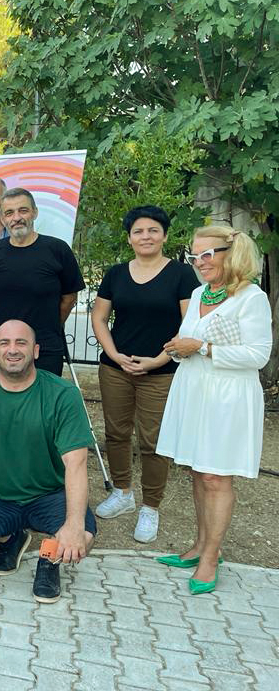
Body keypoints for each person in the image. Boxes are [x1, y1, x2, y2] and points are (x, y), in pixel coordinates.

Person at [0, 320, 97, 604]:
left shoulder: (63, 394)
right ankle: (12, 538)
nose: (12, 350)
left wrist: (73, 523)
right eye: (5, 343)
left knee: (82, 537)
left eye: (21, 343)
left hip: (50, 493)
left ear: (35, 351)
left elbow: (76, 463)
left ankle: (48, 559)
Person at [155, 226, 272, 594]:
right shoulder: (198, 293)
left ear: (230, 253)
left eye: (207, 254)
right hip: (194, 388)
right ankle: (201, 546)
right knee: (197, 471)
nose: (199, 262)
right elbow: (189, 339)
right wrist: (178, 347)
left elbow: (258, 355)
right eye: (194, 256)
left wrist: (203, 348)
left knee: (216, 477)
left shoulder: (251, 297)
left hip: (228, 397)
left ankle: (210, 558)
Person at [91, 206, 200, 543]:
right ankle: (122, 492)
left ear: (164, 235)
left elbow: (189, 325)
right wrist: (113, 354)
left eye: (153, 230)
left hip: (161, 371)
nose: (146, 237)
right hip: (116, 369)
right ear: (129, 238)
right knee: (116, 433)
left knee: (154, 441)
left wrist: (157, 360)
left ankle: (150, 507)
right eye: (138, 231)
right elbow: (99, 318)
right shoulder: (116, 274)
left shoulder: (181, 274)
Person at [0, 188, 84, 377]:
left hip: (44, 348)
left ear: (35, 212)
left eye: (23, 210)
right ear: (2, 219)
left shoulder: (58, 250)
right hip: (2, 348)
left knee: (44, 396)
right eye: (9, 213)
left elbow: (69, 298)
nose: (16, 218)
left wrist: (50, 326)